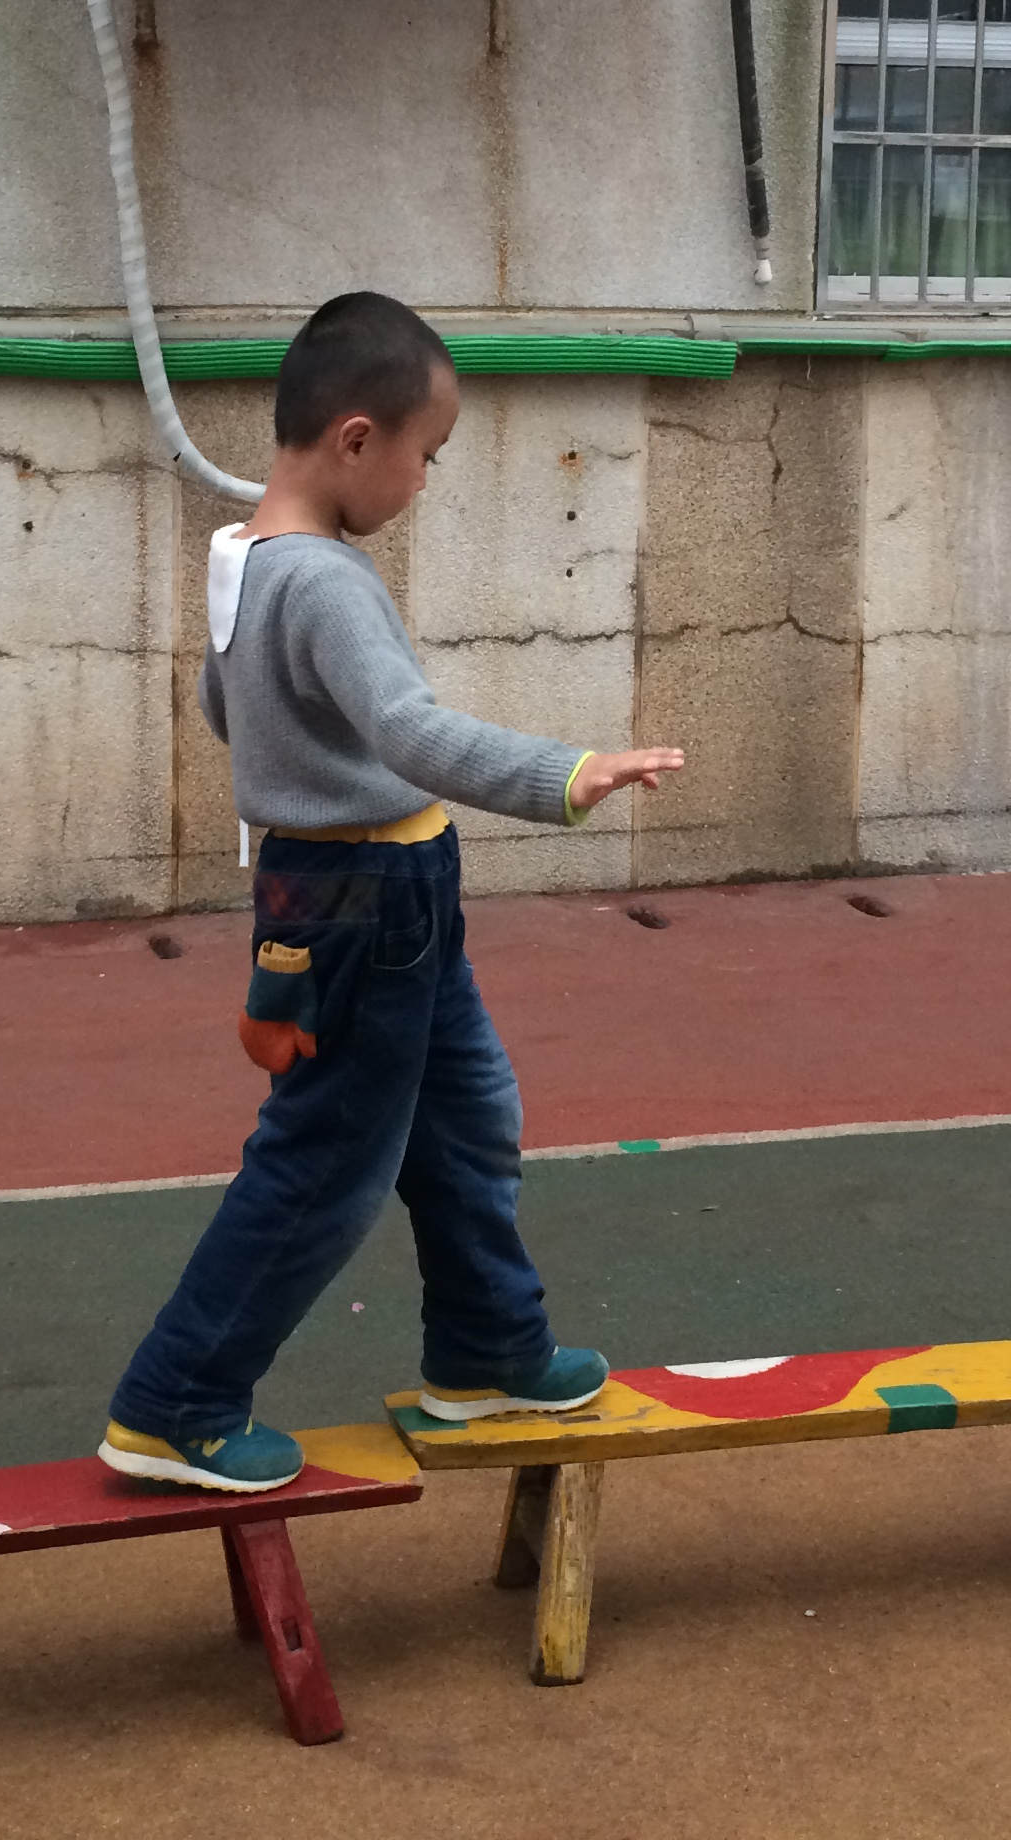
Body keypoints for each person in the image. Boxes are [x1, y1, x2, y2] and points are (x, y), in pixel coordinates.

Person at [100, 292, 687, 1493]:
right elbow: (408, 731)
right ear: (356, 438)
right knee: (325, 1164)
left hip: (371, 895)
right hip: (365, 896)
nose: (425, 481)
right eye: (427, 454)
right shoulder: (323, 582)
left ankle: (487, 1349)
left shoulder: (244, 563)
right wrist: (567, 774)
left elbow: (224, 709)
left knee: (466, 1119)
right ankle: (176, 1401)